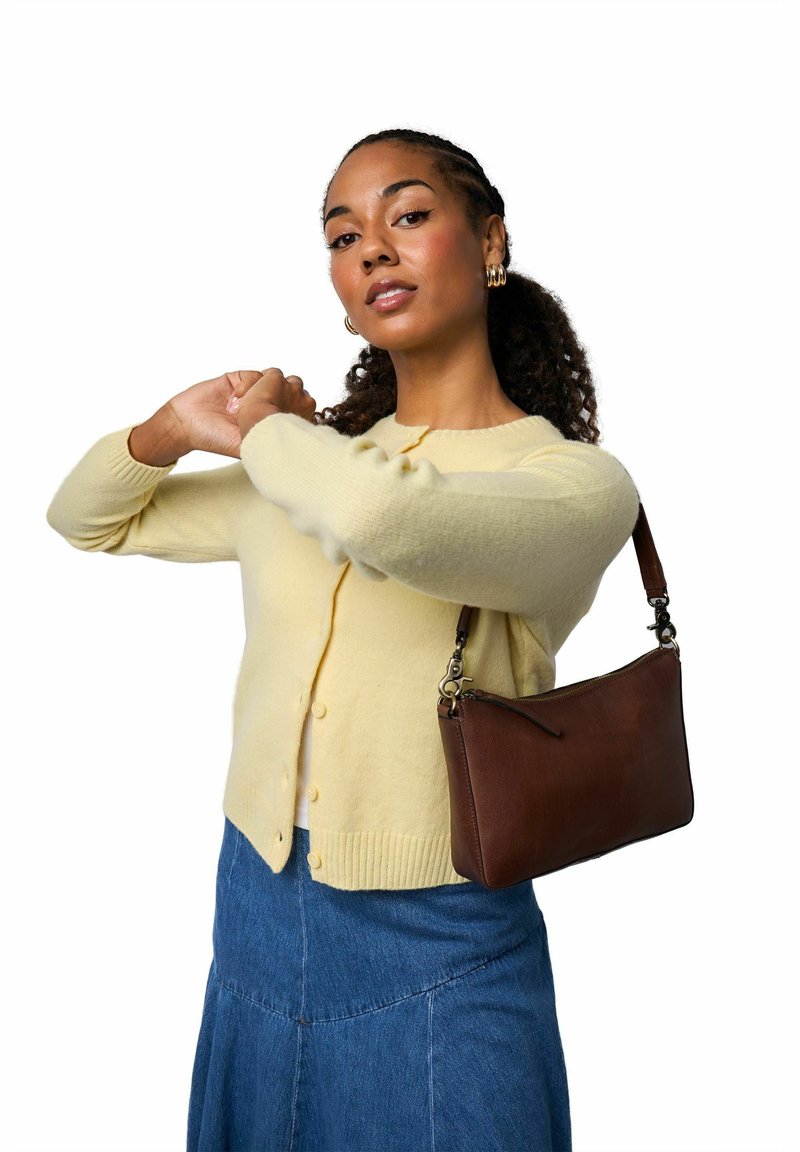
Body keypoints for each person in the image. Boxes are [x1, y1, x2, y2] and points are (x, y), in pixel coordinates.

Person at [47, 127, 641, 1152]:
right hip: (253, 914)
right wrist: (171, 429)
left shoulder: (573, 485)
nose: (372, 249)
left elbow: (384, 519)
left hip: (440, 942)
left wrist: (269, 430)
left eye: (406, 215)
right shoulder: (306, 470)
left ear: (489, 242)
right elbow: (88, 519)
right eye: (341, 235)